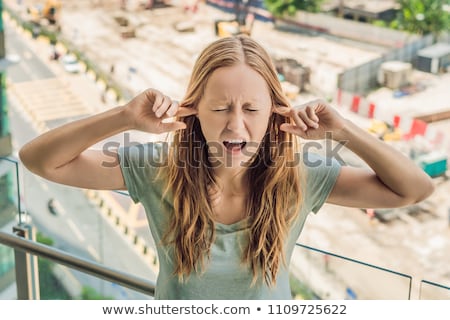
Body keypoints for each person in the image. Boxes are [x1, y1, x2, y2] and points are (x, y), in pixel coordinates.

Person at [18, 35, 434, 299]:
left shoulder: (301, 174)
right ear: (194, 108)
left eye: (252, 108)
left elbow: (414, 189)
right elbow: (39, 160)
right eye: (220, 107)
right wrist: (124, 117)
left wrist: (344, 130)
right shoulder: (157, 168)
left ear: (275, 111)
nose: (236, 124)